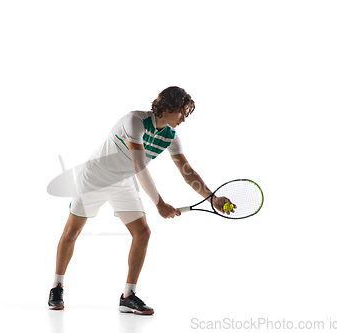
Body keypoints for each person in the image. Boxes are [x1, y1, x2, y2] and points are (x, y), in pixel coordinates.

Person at [48, 86, 234, 314]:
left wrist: (212, 198)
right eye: (181, 113)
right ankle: (57, 286)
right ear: (167, 107)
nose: (184, 119)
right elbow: (139, 164)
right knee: (72, 232)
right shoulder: (134, 121)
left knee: (143, 232)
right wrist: (159, 203)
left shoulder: (171, 137)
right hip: (94, 179)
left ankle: (128, 295)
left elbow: (188, 173)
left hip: (123, 182)